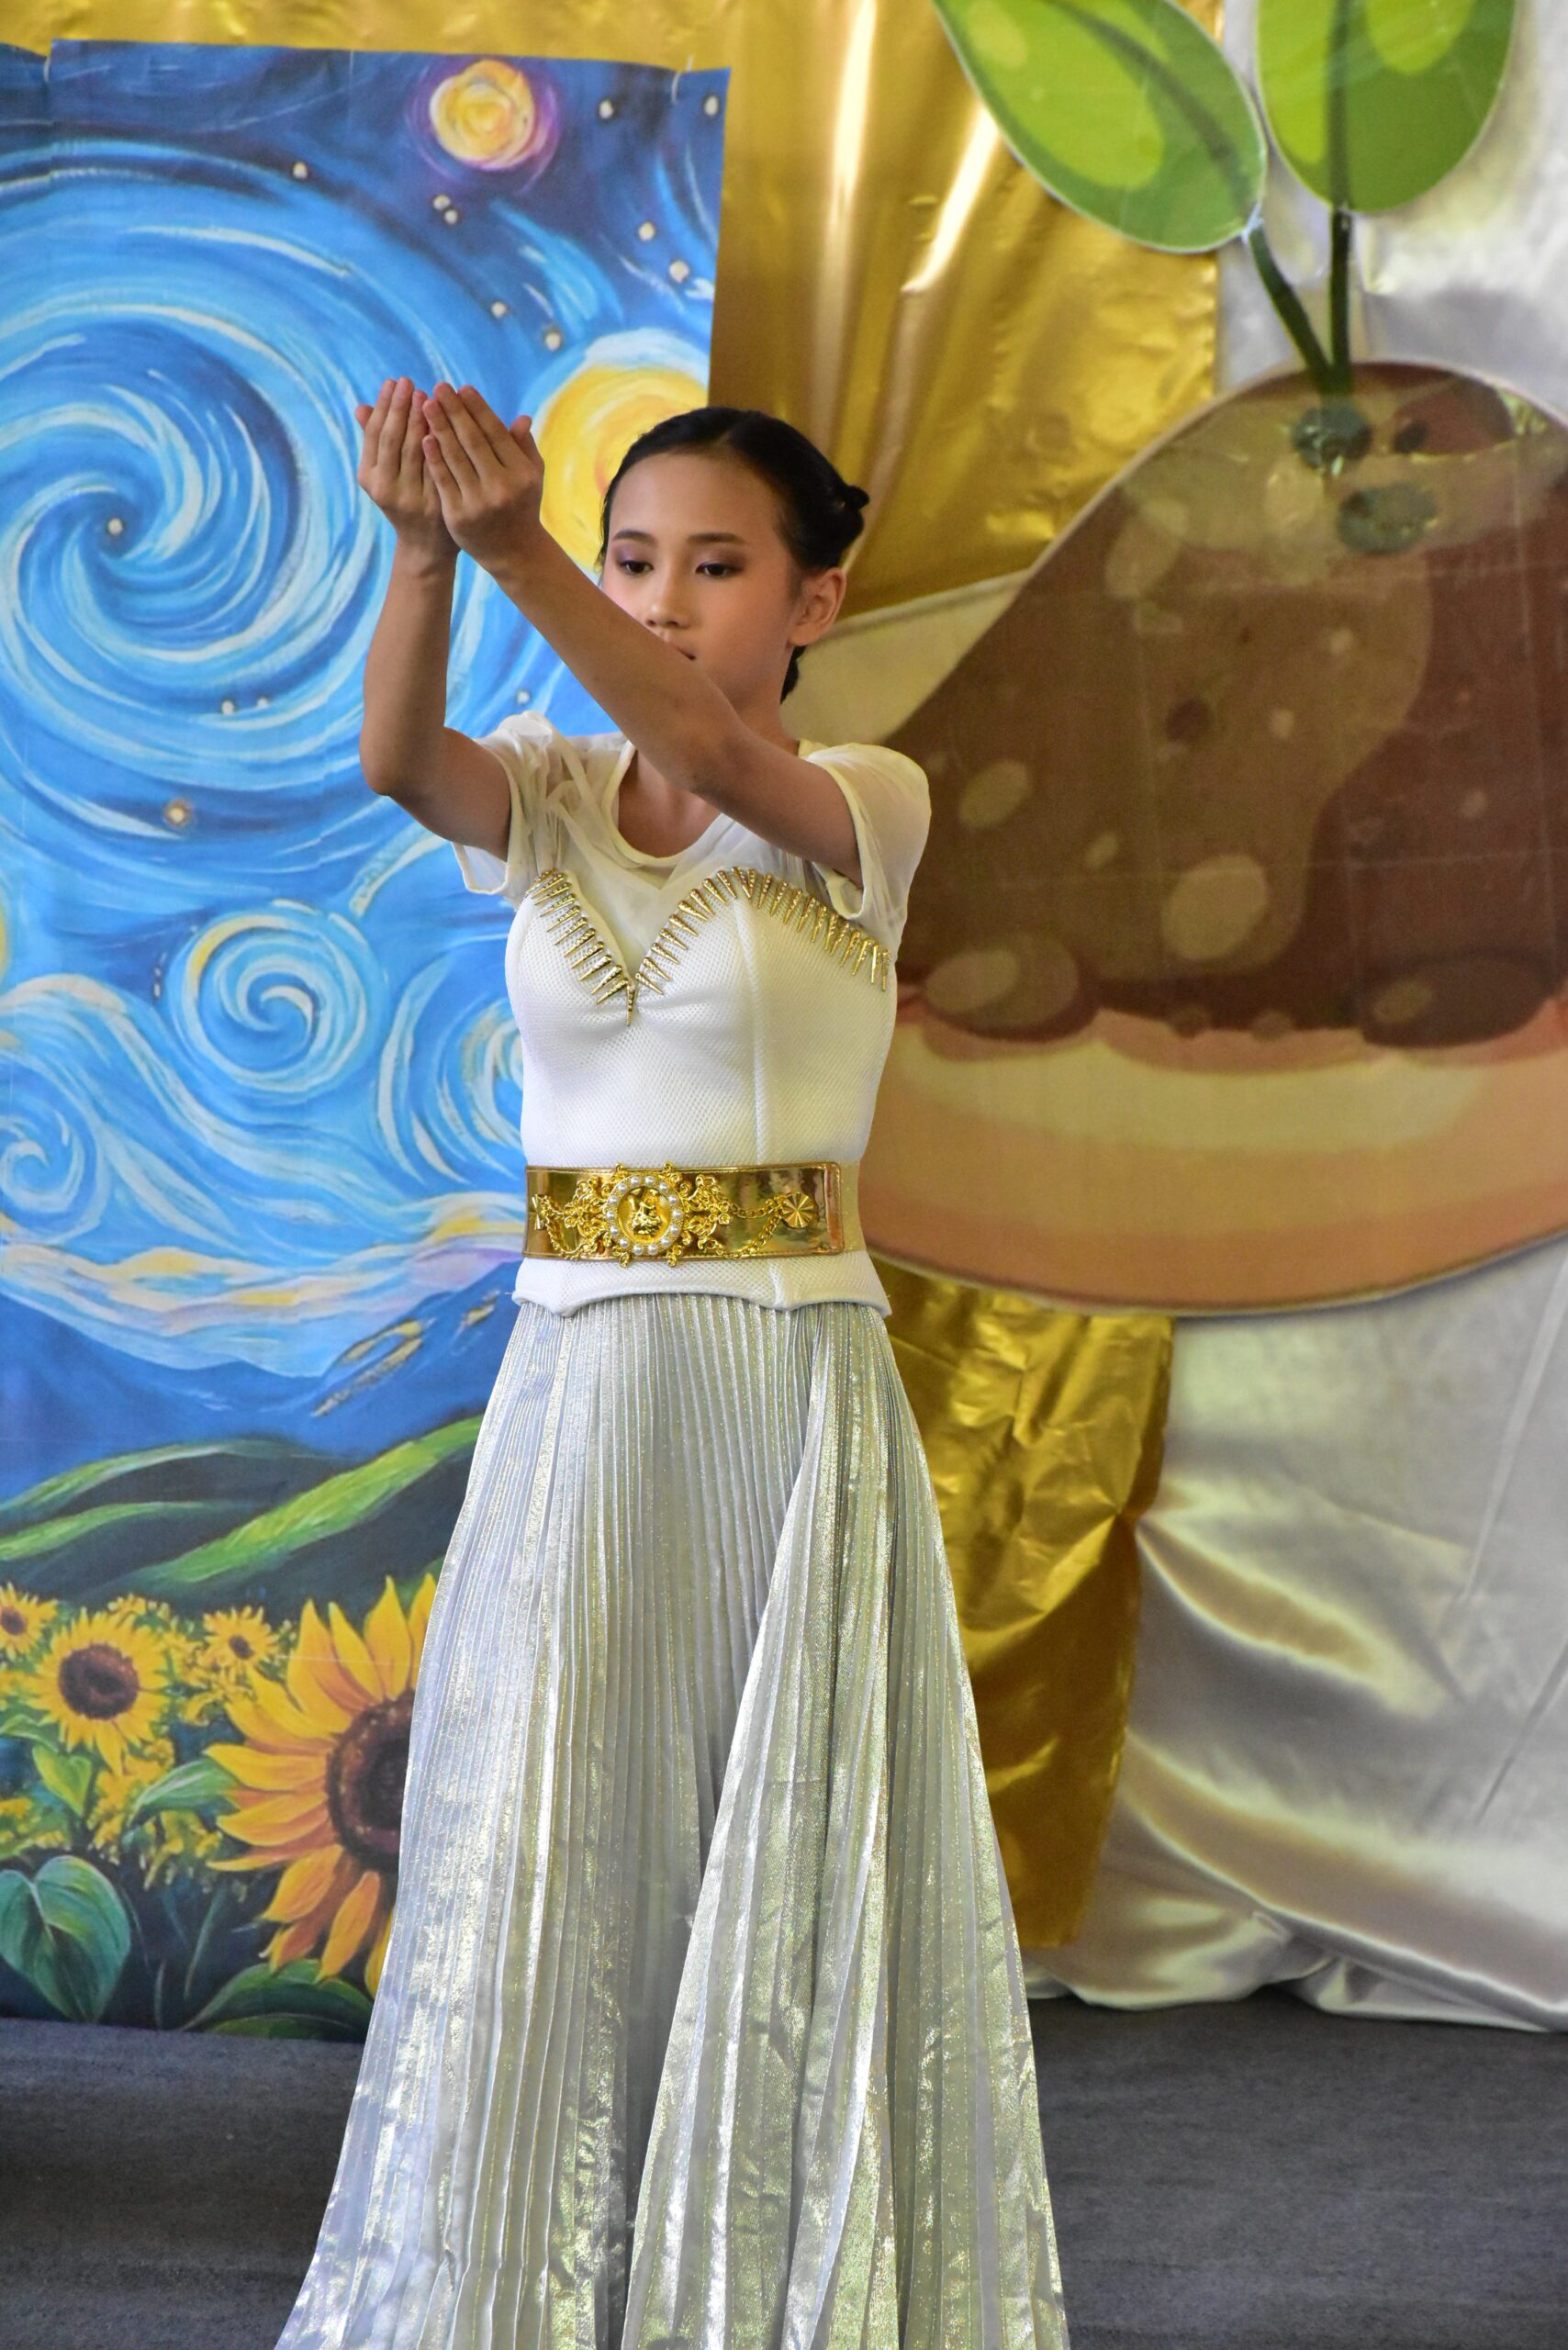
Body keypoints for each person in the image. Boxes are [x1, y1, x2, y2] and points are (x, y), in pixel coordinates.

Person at [273, 377, 1070, 2349]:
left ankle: (760, 2280)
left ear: (814, 601)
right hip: (578, 1384)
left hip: (782, 1381)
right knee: (559, 1818)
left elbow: (710, 739)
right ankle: (548, 2276)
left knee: (767, 1827)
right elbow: (394, 760)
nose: (661, 598)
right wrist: (420, 549)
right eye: (634, 559)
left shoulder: (867, 801)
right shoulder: (552, 787)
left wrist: (518, 548)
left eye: (714, 566)